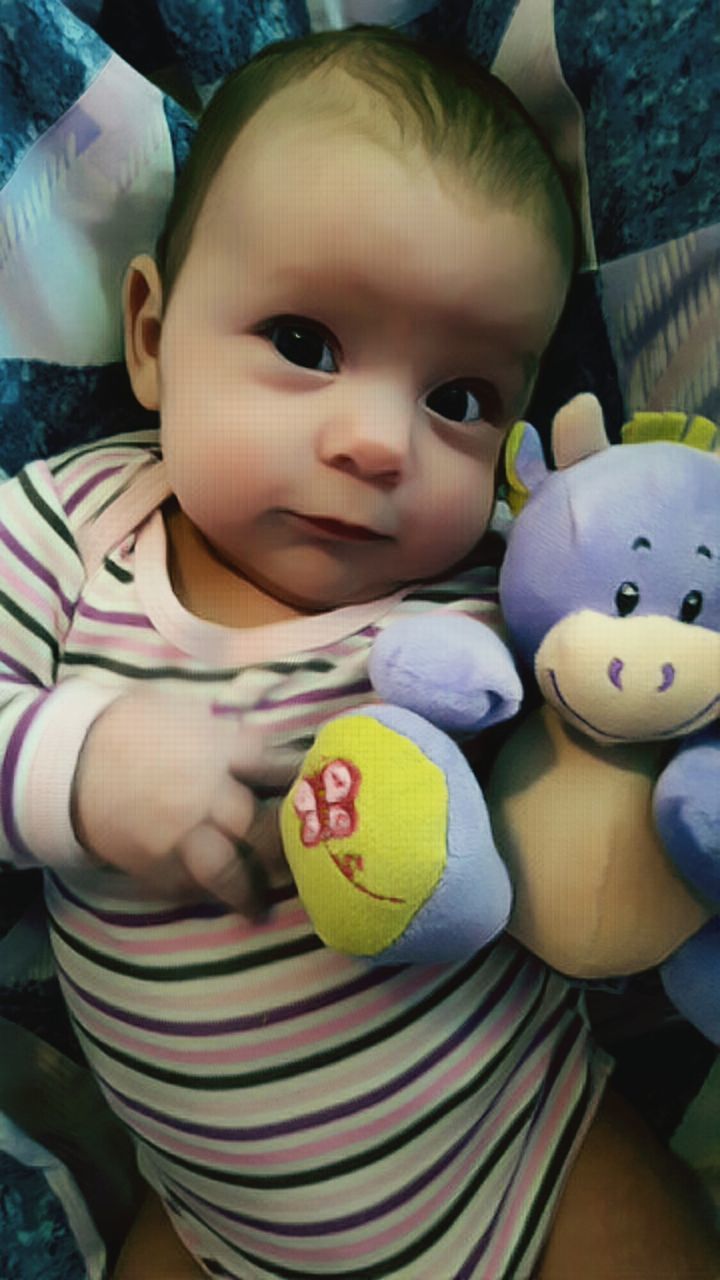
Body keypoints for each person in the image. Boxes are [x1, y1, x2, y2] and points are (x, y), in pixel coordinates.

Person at [0, 25, 717, 1280]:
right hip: (210, 1220)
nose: (383, 440)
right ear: (154, 337)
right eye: (305, 343)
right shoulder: (72, 528)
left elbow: (621, 689)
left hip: (524, 1152)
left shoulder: (494, 575)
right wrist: (78, 763)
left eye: (462, 399)